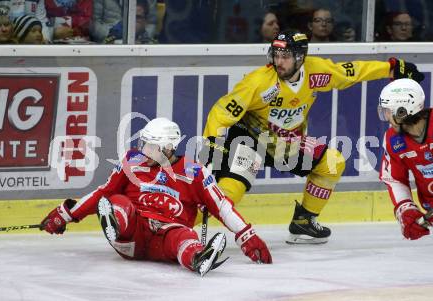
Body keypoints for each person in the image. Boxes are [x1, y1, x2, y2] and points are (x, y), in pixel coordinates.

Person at [201, 30, 424, 244]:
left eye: (285, 56)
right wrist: (212, 146)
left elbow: (352, 72)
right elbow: (221, 113)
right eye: (276, 55)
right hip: (249, 140)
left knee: (332, 162)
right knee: (230, 191)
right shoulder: (258, 82)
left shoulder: (316, 72)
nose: (279, 62)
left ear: (300, 57)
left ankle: (304, 221)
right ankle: (179, 224)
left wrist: (390, 68)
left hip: (285, 145)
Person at [41, 117, 272, 276]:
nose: (145, 151)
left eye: (152, 146)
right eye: (144, 144)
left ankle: (197, 258)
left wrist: (246, 236)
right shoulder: (132, 161)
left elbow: (222, 206)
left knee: (183, 236)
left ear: (169, 148)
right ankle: (114, 223)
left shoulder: (195, 172)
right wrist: (67, 214)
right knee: (117, 202)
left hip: (166, 237)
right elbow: (103, 191)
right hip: (132, 237)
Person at [378, 78, 433, 240]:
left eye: (388, 111)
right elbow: (395, 179)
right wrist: (405, 209)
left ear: (402, 111)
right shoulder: (392, 140)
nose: (386, 116)